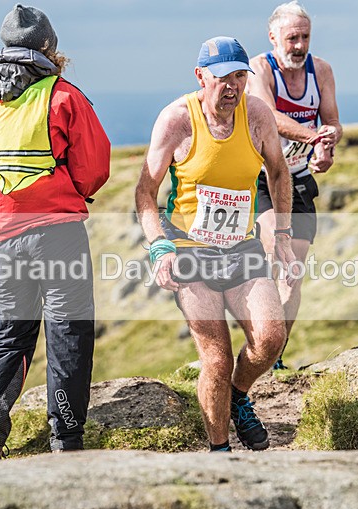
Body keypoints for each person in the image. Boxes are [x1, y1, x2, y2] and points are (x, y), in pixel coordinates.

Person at [135, 36, 299, 451]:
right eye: (224, 78)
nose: (233, 87)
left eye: (241, 77)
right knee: (217, 358)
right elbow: (145, 192)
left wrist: (281, 234)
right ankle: (219, 451)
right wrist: (159, 245)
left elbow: (279, 173)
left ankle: (238, 396)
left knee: (271, 337)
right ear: (201, 77)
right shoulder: (176, 120)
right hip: (191, 252)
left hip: (241, 248)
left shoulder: (257, 114)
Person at [0, 4, 111, 462]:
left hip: (3, 236)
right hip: (58, 234)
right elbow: (94, 169)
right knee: (68, 331)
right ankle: (66, 441)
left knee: (12, 334)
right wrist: (67, 190)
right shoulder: (64, 96)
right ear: (48, 47)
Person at [246, 1, 342, 369]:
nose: (299, 45)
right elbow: (268, 116)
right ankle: (257, 345)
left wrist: (327, 146)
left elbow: (332, 120)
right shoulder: (259, 69)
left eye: (304, 37)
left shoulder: (322, 70)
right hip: (261, 177)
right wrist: (314, 136)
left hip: (299, 179)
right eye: (291, 38)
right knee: (275, 255)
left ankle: (274, 356)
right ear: (273, 37)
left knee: (293, 273)